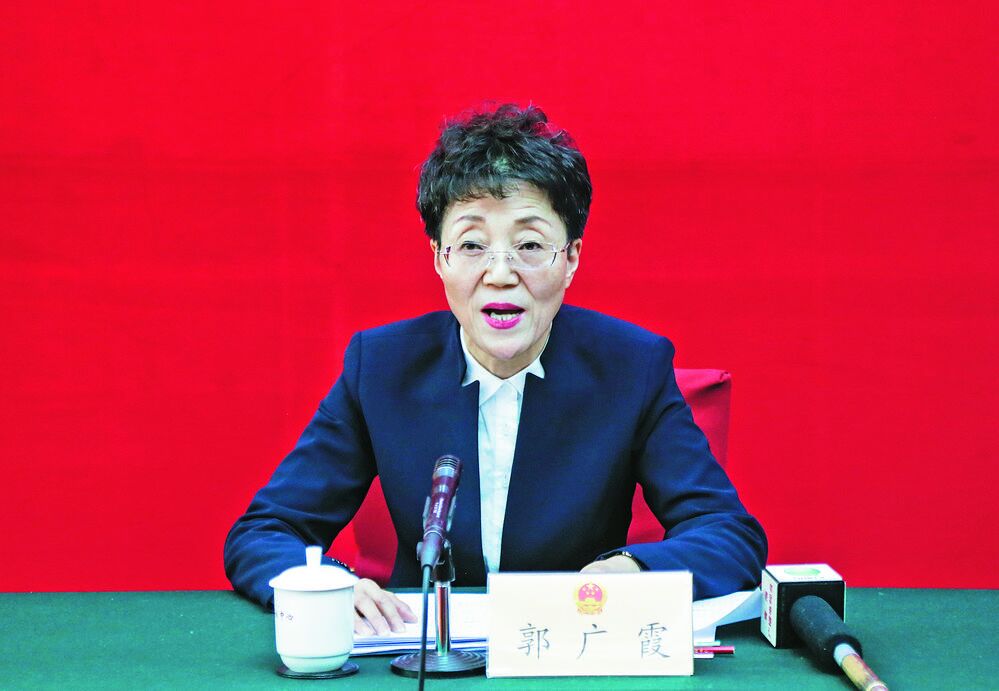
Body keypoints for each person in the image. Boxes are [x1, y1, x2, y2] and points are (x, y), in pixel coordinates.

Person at [224, 103, 767, 636]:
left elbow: (728, 534)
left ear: (571, 258)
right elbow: (266, 531)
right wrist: (328, 584)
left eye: (529, 245)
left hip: (571, 648)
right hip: (421, 656)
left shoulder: (632, 366)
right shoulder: (383, 367)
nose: (501, 273)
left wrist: (631, 571)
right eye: (472, 245)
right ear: (439, 258)